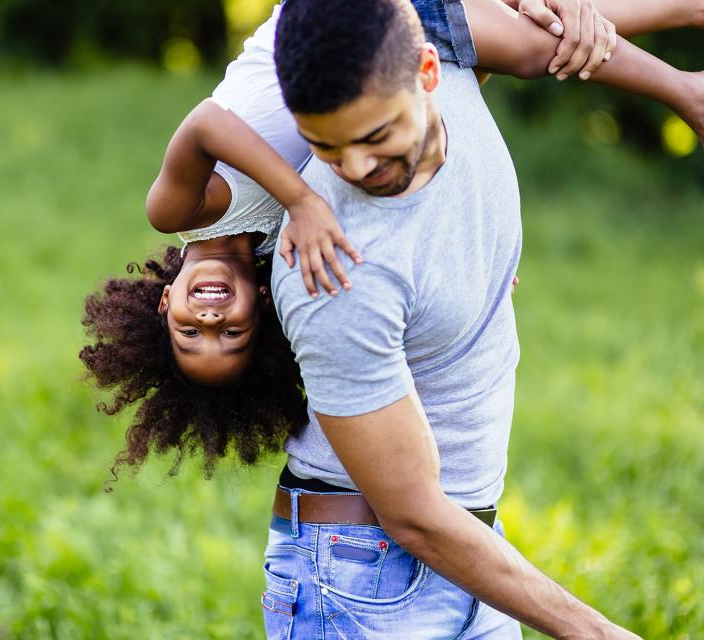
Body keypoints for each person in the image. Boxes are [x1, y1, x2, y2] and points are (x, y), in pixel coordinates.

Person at [81, 0, 704, 481]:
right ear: (259, 307)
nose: (209, 321)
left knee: (526, 43)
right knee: (527, 41)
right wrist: (468, 258)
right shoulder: (276, 247)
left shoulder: (181, 213)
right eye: (229, 337)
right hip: (365, 66)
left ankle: (696, 73)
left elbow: (205, 125)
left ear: (167, 302)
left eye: (190, 333)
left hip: (334, 32)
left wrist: (303, 200)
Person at [262, 0, 645, 637]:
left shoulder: (463, 76)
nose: (355, 168)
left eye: (375, 136)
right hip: (362, 580)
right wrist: (599, 632)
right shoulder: (334, 270)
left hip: (470, 551)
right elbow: (411, 513)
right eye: (325, 146)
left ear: (431, 73)